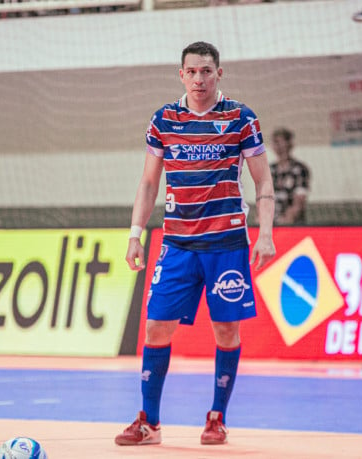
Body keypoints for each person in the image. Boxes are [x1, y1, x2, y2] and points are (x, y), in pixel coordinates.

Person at [115, 41, 276, 447]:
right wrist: (135, 234)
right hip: (178, 245)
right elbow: (150, 181)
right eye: (192, 71)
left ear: (219, 73)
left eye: (207, 71)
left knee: (225, 330)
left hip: (227, 244)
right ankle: (148, 422)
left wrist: (267, 233)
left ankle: (217, 417)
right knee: (155, 327)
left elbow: (263, 183)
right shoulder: (164, 119)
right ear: (181, 74)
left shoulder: (241, 118)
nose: (199, 79)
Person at [269, 127, 310, 226]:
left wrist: (287, 220)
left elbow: (299, 201)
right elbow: (263, 197)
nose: (277, 146)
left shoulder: (300, 169)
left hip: (293, 225)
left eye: (279, 142)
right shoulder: (270, 169)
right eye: (274, 142)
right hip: (271, 224)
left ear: (289, 143)